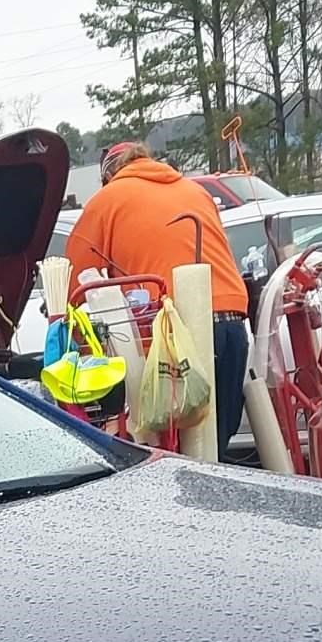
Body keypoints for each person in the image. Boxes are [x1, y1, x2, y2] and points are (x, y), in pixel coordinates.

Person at [61, 142, 251, 446]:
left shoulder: (107, 200)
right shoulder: (193, 190)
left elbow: (75, 286)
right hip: (231, 323)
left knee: (176, 446)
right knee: (216, 444)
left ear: (108, 174)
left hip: (175, 333)